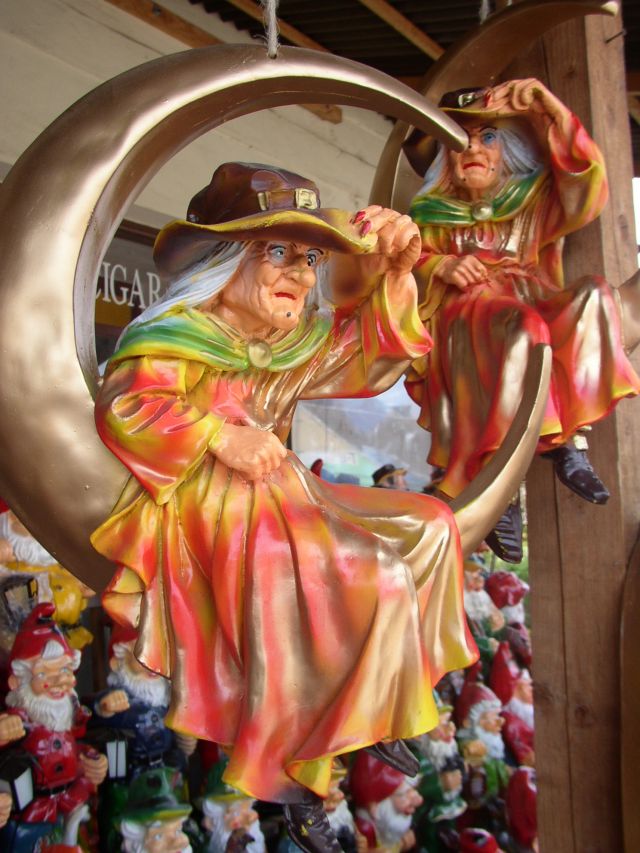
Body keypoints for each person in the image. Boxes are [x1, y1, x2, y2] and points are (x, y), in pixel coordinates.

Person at [90, 162, 478, 853]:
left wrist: (394, 273)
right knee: (376, 575)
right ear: (226, 259)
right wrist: (218, 435)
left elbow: (367, 357)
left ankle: (384, 700)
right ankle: (299, 766)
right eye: (278, 251)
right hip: (211, 503)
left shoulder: (283, 341)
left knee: (431, 526)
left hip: (282, 486)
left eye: (310, 257)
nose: (300, 272)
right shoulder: (180, 331)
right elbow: (128, 405)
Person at [404, 78, 640, 562]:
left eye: (487, 137)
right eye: (460, 141)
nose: (473, 149)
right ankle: (499, 479)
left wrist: (551, 111)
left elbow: (586, 186)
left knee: (593, 296)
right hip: (469, 313)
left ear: (508, 149)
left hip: (530, 294)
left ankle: (565, 439)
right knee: (524, 330)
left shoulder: (530, 199)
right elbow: (402, 263)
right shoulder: (429, 213)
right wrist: (440, 266)